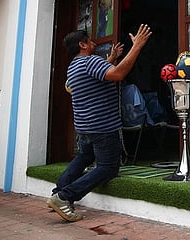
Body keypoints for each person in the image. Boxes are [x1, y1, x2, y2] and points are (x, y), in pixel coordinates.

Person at [47, 24, 152, 221]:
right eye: (90, 41)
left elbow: (97, 77)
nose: (94, 43)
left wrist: (111, 59)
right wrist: (137, 46)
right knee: (108, 168)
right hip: (102, 127)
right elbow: (118, 74)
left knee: (84, 157)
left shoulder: (74, 66)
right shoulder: (90, 62)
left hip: (85, 127)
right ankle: (64, 197)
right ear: (82, 45)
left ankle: (58, 190)